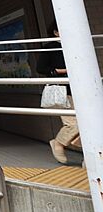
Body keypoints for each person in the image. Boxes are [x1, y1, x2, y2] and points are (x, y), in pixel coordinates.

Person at [37, 21, 79, 164]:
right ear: (55, 32)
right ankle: (58, 143)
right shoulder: (50, 47)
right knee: (73, 124)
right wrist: (62, 71)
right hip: (62, 90)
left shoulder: (75, 45)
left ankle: (88, 157)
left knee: (86, 123)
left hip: (79, 89)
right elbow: (41, 68)